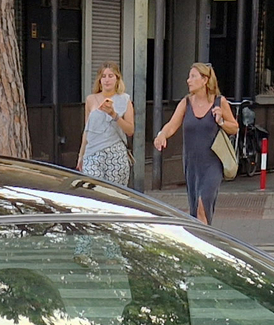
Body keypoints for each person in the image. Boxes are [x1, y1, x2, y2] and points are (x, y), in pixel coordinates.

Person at [153, 62, 239, 224]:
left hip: (212, 163)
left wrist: (220, 121)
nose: (188, 80)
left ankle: (204, 244)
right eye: (189, 76)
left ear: (205, 80)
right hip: (192, 164)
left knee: (202, 205)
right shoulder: (186, 103)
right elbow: (172, 125)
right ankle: (203, 240)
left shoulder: (220, 102)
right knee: (195, 210)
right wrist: (162, 135)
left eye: (193, 76)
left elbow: (234, 128)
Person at [79, 62, 133, 185]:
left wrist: (114, 115)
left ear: (117, 78)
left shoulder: (125, 99)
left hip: (115, 152)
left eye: (111, 76)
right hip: (93, 152)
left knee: (114, 195)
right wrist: (81, 155)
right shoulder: (91, 99)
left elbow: (130, 130)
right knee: (92, 191)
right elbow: (87, 130)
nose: (107, 80)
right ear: (99, 80)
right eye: (103, 76)